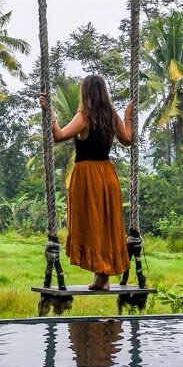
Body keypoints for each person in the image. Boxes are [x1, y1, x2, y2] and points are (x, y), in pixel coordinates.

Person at [40, 74, 134, 291]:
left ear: (85, 93)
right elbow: (127, 140)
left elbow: (59, 136)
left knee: (91, 223)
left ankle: (102, 273)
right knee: (105, 223)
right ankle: (103, 277)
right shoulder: (111, 116)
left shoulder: (85, 116)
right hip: (107, 174)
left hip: (87, 175)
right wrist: (128, 117)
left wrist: (51, 115)